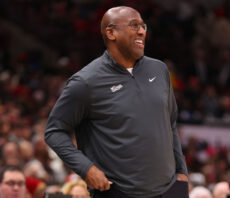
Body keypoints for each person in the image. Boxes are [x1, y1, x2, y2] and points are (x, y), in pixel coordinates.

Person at [45, 6, 189, 198]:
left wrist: (182, 172)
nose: (142, 31)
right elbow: (54, 132)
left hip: (170, 189)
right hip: (118, 191)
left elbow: (170, 123)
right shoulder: (86, 82)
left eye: (143, 25)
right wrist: (86, 169)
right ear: (111, 33)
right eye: (133, 25)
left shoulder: (159, 70)